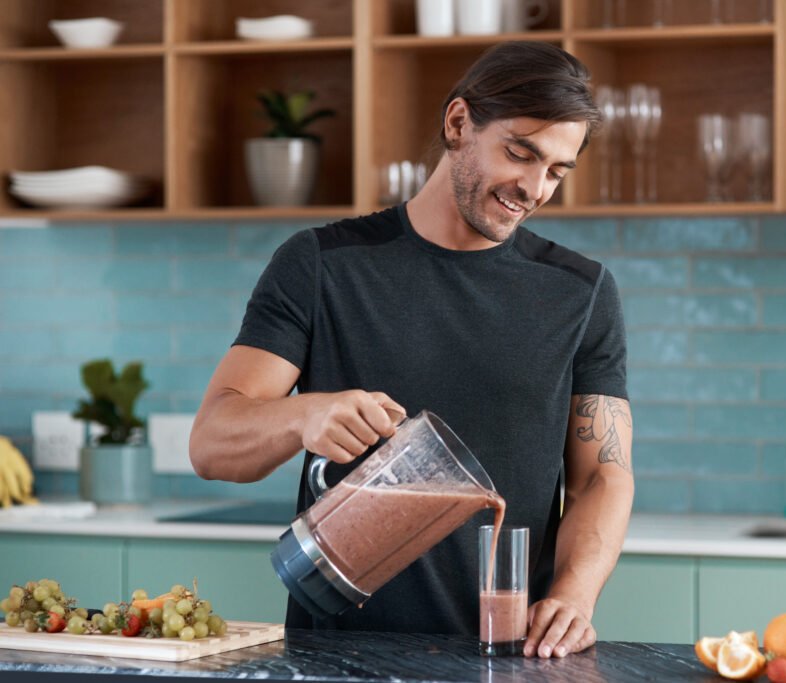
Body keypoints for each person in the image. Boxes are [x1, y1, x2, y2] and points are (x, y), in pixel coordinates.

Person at [189, 41, 633, 659]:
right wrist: (303, 415)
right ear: (458, 123)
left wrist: (575, 596)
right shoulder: (322, 265)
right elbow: (212, 444)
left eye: (556, 171)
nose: (534, 188)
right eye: (520, 153)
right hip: (340, 657)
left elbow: (603, 477)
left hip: (513, 657)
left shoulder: (581, 292)